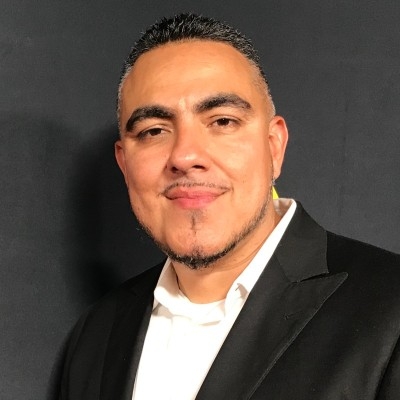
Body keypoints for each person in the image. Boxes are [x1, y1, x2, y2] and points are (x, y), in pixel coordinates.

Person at [59, 13, 400, 400]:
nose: (185, 156)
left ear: (274, 147)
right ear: (124, 164)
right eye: (154, 130)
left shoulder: (389, 309)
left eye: (222, 121)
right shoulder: (94, 337)